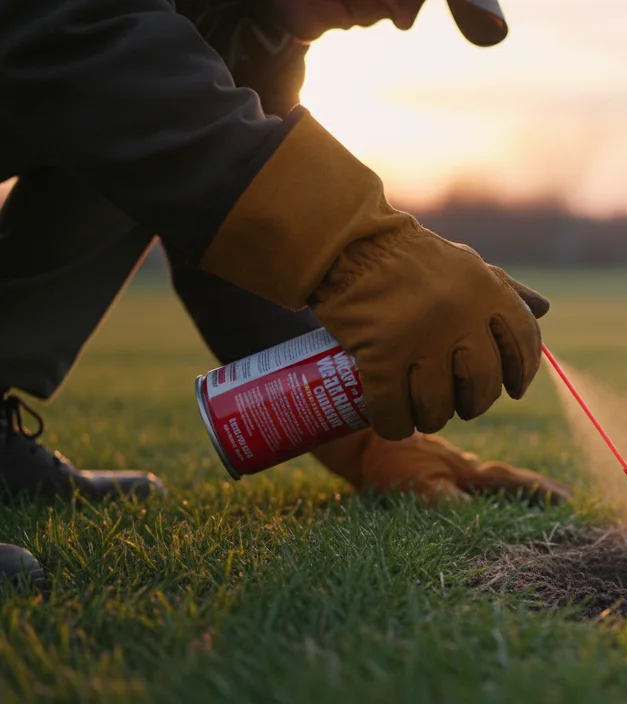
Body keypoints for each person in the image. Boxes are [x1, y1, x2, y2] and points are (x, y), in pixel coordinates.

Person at [0, 0, 571, 586]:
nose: (403, 17)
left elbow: (234, 249)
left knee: (142, 145)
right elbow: (78, 34)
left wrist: (367, 441)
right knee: (131, 103)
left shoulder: (251, 48)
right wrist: (360, 252)